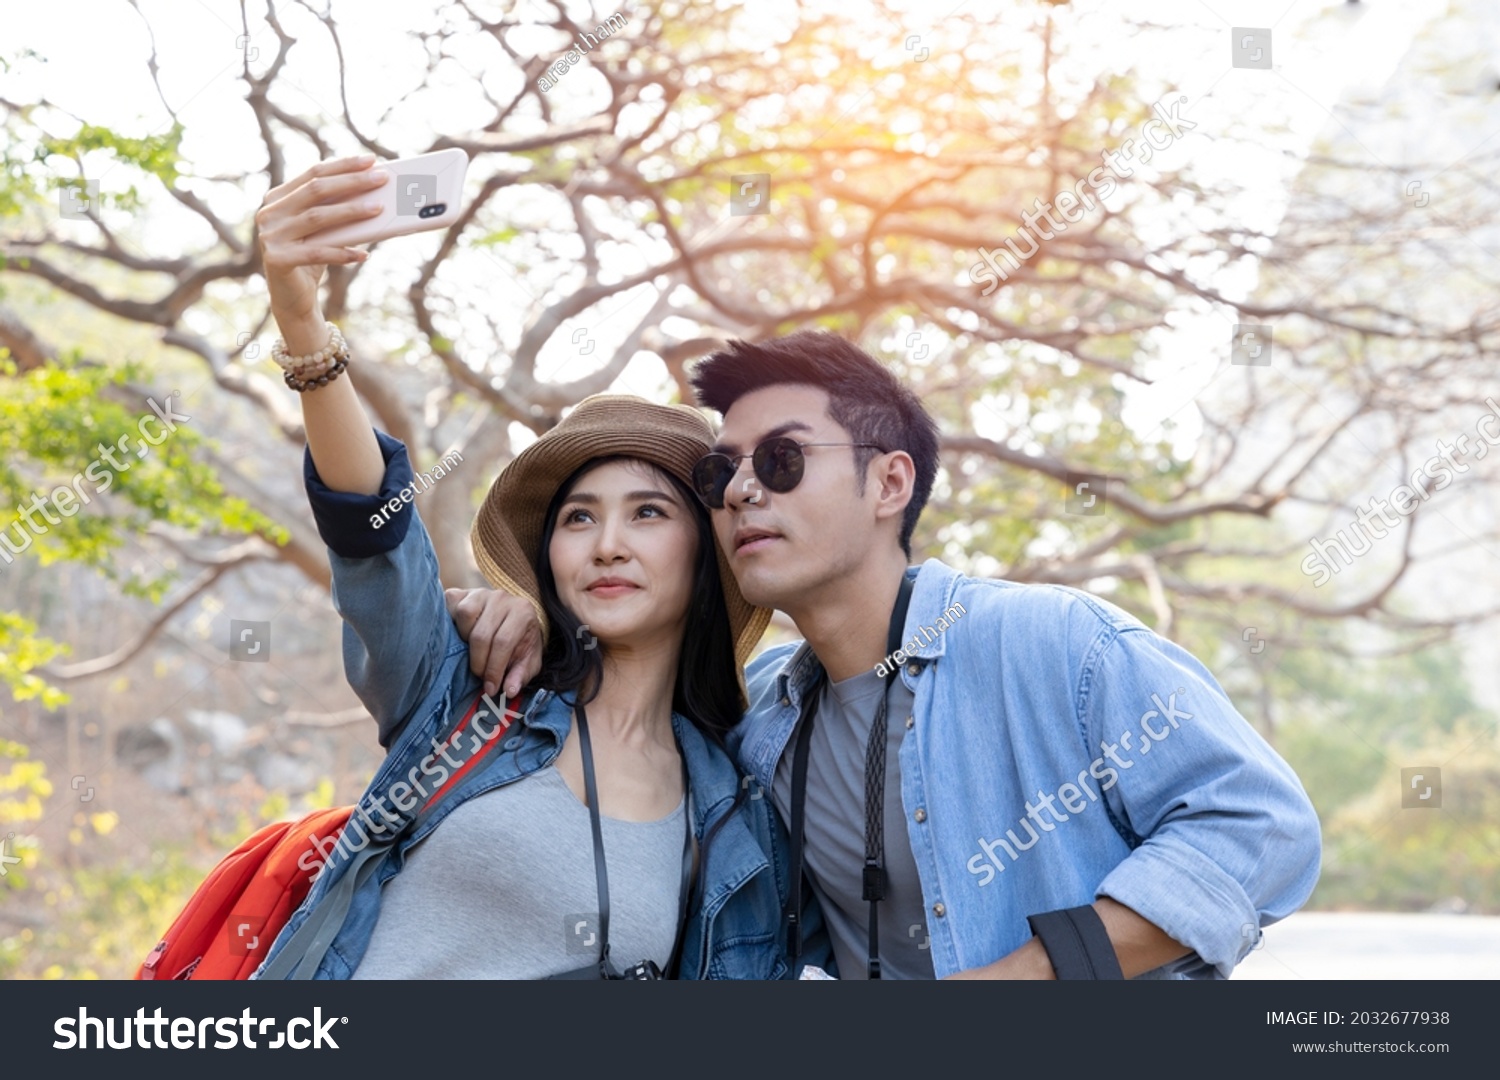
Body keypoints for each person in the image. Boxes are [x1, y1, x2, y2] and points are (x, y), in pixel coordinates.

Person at [450, 330, 1324, 980]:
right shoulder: (757, 721)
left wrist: (1021, 982)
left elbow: (1257, 825)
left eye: (784, 459)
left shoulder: (1052, 643)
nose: (745, 489)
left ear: (890, 484)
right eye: (723, 476)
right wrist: (520, 618)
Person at [248, 154, 829, 979]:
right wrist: (305, 331)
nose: (606, 545)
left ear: (707, 554)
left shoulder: (731, 812)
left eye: (649, 514)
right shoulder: (467, 693)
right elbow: (374, 534)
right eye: (578, 519)